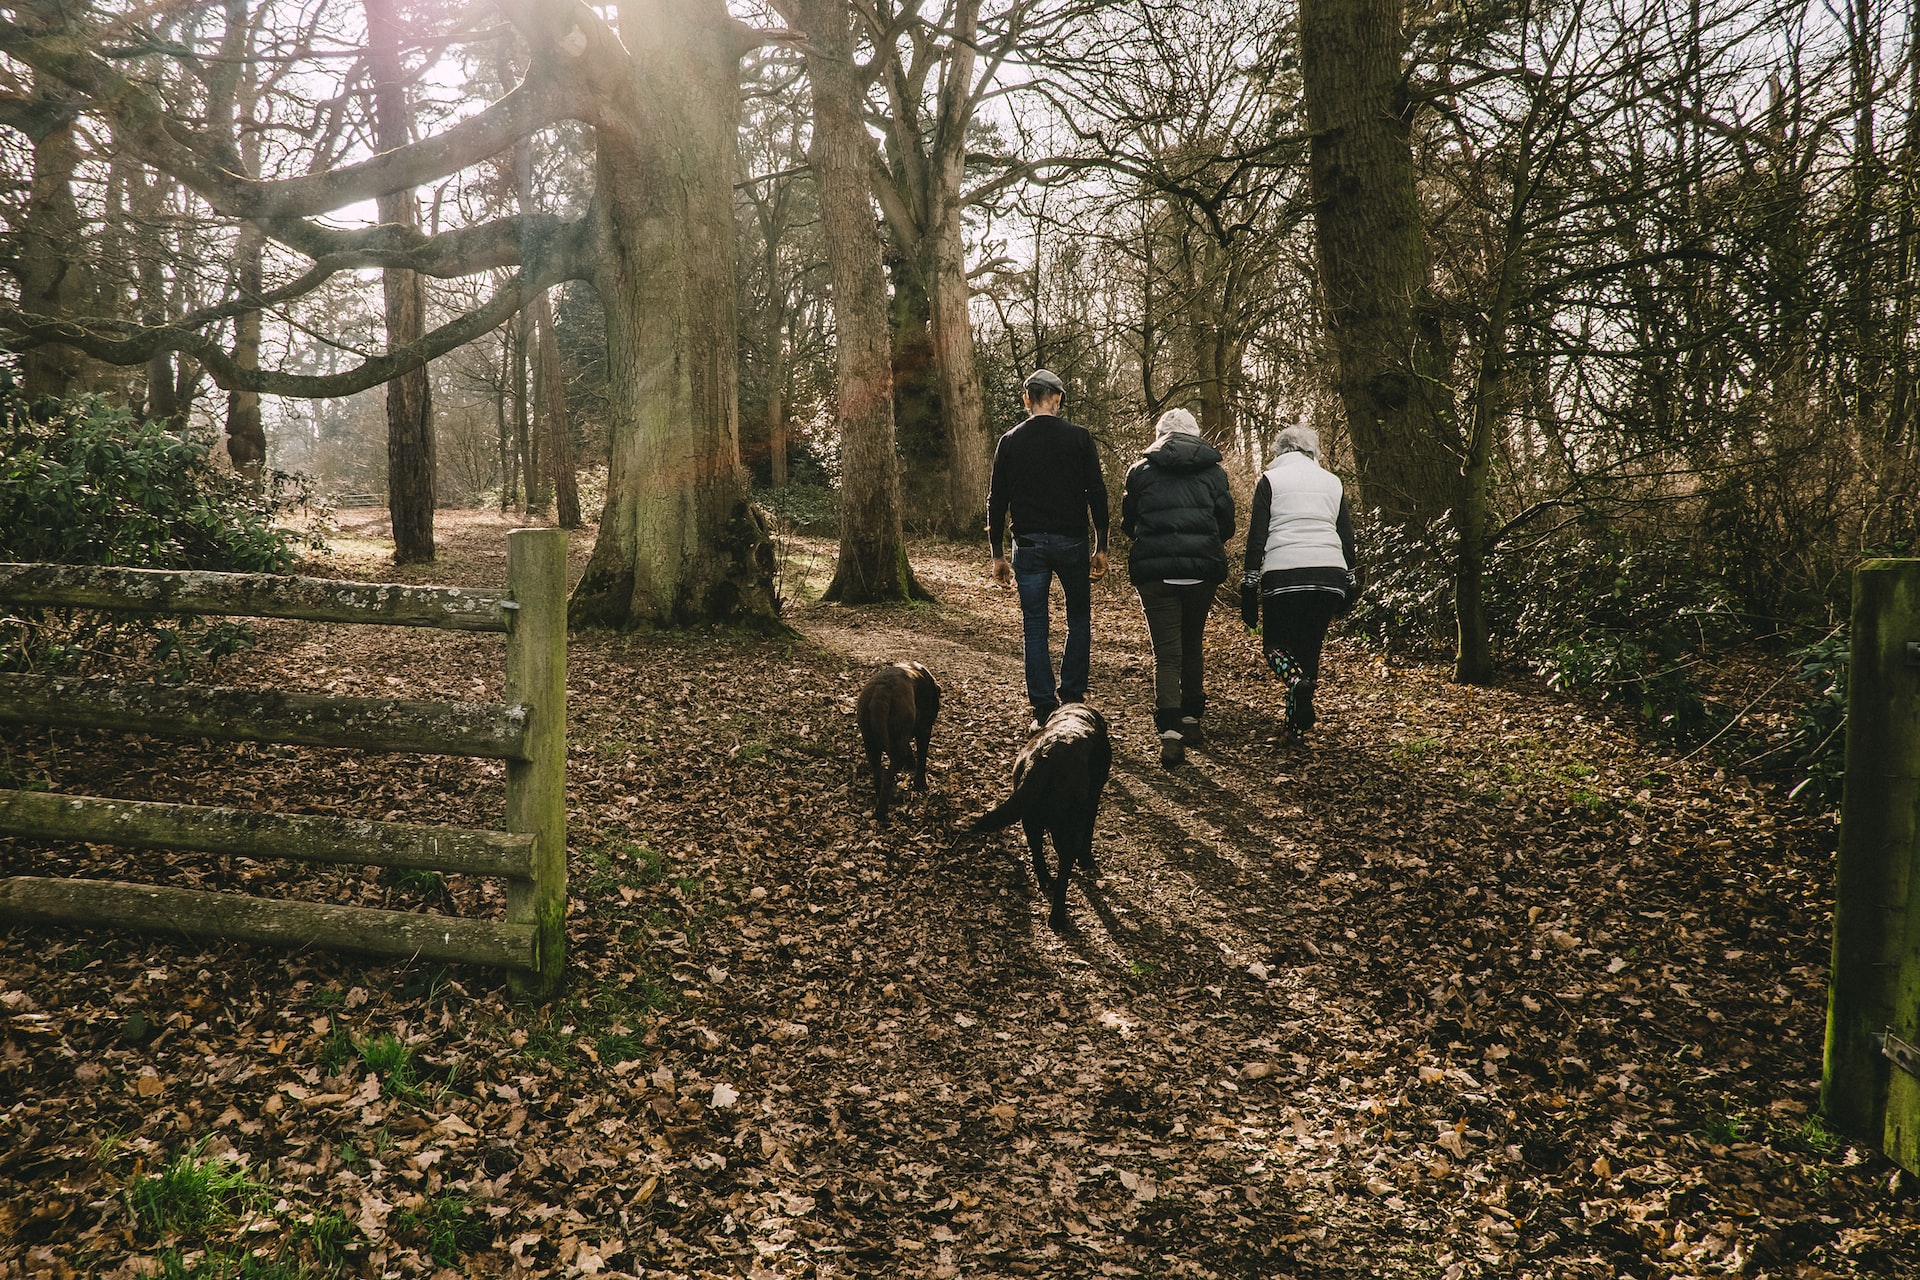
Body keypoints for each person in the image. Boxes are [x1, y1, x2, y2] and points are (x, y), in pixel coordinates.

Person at [987, 369, 1111, 729]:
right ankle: (1072, 699)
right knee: (1079, 618)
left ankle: (1043, 711)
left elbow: (998, 500)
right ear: (1057, 399)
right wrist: (1101, 546)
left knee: (1035, 626)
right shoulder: (1080, 439)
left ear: (1027, 399)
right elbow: (1097, 493)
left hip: (1027, 545)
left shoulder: (1009, 441)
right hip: (1072, 541)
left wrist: (997, 554)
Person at [1120, 408, 1234, 768]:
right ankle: (1191, 719)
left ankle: (1169, 733)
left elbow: (1129, 521)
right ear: (1195, 435)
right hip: (1201, 570)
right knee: (1192, 643)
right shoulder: (1214, 473)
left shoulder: (1140, 472)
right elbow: (1225, 524)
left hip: (1156, 572)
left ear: (1160, 435)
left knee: (1166, 653)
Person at [1240, 425, 1359, 745]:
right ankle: (1293, 729)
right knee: (1310, 651)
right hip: (1329, 576)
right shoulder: (1332, 482)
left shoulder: (1270, 480)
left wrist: (1249, 585)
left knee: (1276, 647)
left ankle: (1293, 682)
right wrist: (1351, 580)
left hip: (1284, 576)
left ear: (1279, 452)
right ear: (1312, 452)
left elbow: (1257, 537)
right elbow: (1346, 537)